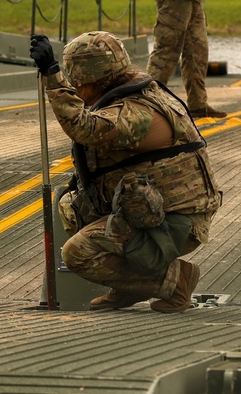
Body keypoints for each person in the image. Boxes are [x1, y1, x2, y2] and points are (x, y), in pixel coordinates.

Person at [30, 31, 222, 313]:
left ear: (94, 78)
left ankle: (173, 282)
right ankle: (127, 287)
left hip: (177, 221)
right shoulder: (132, 93)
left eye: (77, 81)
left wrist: (52, 75)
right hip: (152, 210)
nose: (76, 87)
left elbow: (85, 127)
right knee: (73, 207)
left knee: (77, 254)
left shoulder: (138, 112)